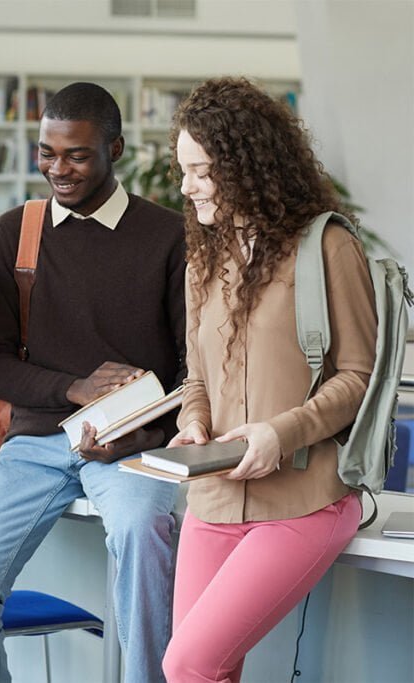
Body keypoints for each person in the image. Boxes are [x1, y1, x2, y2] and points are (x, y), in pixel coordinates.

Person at [0, 82, 187, 682]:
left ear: (115, 149)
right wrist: (75, 388)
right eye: (47, 153)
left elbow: (192, 370)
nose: (58, 168)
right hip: (35, 446)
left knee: (143, 531)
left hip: (134, 452)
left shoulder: (169, 235)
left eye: (75, 154)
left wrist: (143, 434)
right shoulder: (14, 233)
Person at [162, 77, 375, 683]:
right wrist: (194, 422)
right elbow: (196, 375)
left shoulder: (328, 247)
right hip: (214, 500)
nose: (186, 186)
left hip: (304, 502)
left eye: (200, 170)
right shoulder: (203, 257)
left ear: (245, 165)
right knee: (207, 673)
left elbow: (358, 378)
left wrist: (281, 434)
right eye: (184, 170)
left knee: (188, 663)